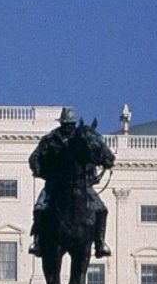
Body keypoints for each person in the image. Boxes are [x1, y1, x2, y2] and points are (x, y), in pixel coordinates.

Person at [28, 107, 112, 259]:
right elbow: (34, 158)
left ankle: (100, 243)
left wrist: (93, 174)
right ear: (61, 124)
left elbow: (91, 158)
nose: (68, 128)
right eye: (66, 124)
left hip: (82, 184)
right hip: (55, 182)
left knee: (101, 209)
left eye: (71, 124)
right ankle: (38, 241)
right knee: (40, 206)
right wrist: (42, 172)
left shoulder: (81, 141)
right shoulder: (50, 139)